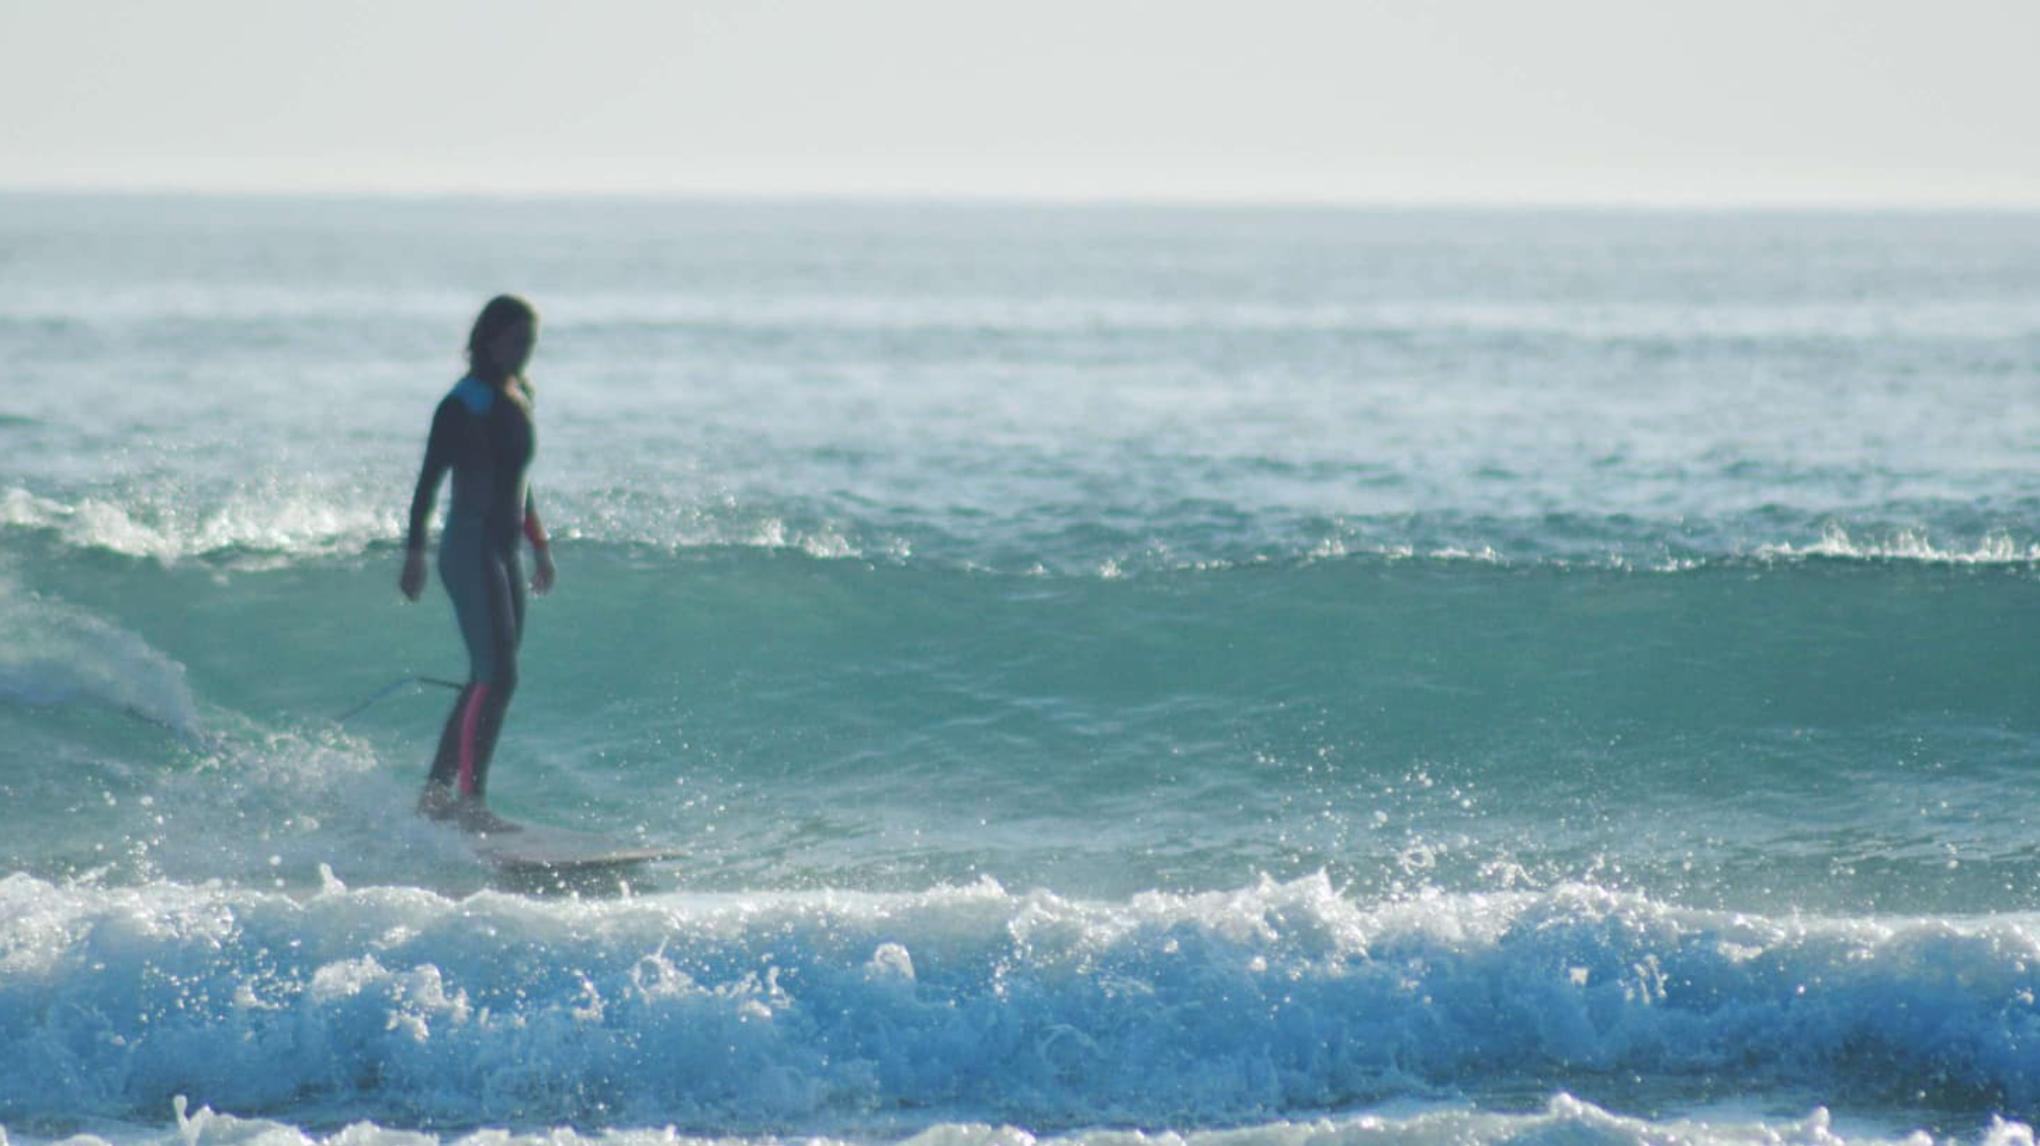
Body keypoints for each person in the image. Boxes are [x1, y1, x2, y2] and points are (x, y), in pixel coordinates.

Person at [400, 294, 556, 829]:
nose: (523, 352)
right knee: (496, 674)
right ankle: (468, 804)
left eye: (530, 343)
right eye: (515, 341)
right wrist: (414, 553)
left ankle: (437, 796)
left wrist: (539, 546)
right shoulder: (464, 403)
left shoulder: (518, 395)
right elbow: (428, 482)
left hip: (503, 549)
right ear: (488, 340)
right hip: (469, 547)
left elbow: (519, 483)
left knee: (490, 677)